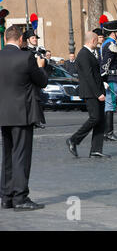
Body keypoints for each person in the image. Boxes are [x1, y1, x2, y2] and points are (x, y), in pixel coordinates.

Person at [0, 25, 48, 211]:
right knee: (21, 155)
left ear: (6, 39)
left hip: (3, 114)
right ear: (21, 39)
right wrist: (41, 67)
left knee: (7, 155)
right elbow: (41, 81)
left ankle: (6, 196)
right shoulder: (26, 57)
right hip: (22, 113)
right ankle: (20, 197)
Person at [66, 31, 110, 158]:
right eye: (97, 41)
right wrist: (98, 93)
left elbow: (95, 75)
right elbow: (89, 76)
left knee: (101, 120)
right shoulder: (83, 54)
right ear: (93, 41)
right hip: (91, 93)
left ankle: (96, 149)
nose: (98, 43)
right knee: (95, 118)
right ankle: (73, 140)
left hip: (96, 91)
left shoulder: (89, 53)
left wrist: (102, 87)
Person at [101, 20, 117, 141]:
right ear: (114, 33)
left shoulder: (107, 43)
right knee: (110, 105)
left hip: (111, 78)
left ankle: (107, 132)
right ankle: (108, 133)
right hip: (111, 78)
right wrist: (103, 78)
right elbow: (106, 64)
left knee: (109, 105)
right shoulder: (111, 45)